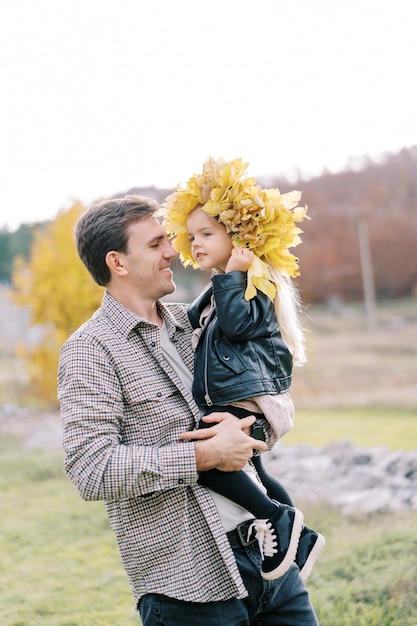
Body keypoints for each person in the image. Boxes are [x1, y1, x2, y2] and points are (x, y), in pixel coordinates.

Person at [58, 194, 321, 625]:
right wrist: (203, 456)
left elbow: (257, 394)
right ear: (118, 263)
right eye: (156, 243)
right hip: (189, 585)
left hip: (269, 563)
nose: (172, 251)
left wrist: (258, 433)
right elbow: (90, 468)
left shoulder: (197, 322)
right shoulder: (90, 350)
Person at [163, 157, 325, 583]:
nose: (195, 244)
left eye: (207, 234)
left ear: (238, 239)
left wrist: (232, 274)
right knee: (254, 472)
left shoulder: (253, 284)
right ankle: (299, 535)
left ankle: (277, 519)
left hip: (247, 402)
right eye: (191, 235)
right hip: (237, 400)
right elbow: (187, 321)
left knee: (202, 460)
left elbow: (235, 327)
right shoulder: (224, 286)